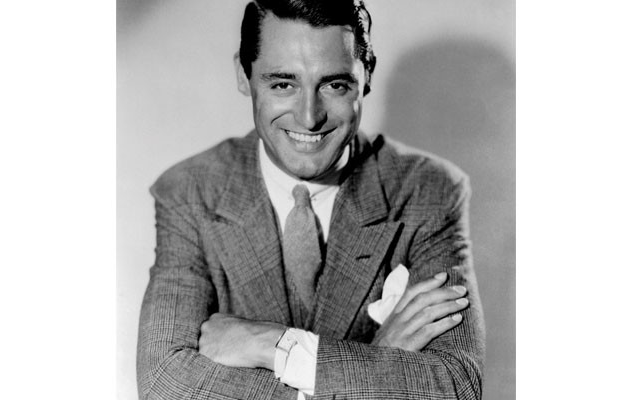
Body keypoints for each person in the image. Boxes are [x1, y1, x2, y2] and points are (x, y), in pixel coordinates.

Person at [136, 1, 485, 399]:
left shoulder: (429, 190)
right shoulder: (189, 191)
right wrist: (379, 359)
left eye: (334, 85)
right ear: (243, 75)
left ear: (367, 76)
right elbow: (163, 383)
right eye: (283, 84)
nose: (309, 118)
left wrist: (276, 346)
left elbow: (456, 386)